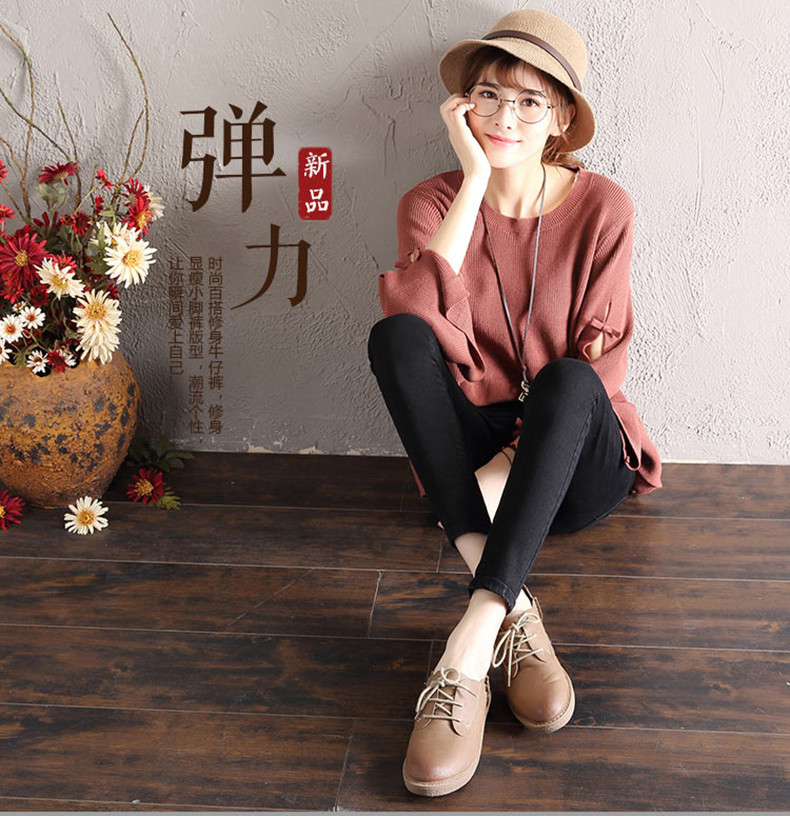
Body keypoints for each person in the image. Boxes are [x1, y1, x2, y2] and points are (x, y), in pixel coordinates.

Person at [367, 8, 662, 798]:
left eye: (531, 101)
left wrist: (507, 465)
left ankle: (466, 649)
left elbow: (601, 366)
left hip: (573, 464)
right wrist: (473, 179)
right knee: (394, 338)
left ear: (561, 117)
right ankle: (516, 616)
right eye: (491, 96)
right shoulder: (431, 202)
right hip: (478, 456)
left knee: (568, 379)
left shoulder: (604, 209)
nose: (505, 117)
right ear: (463, 105)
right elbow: (414, 314)